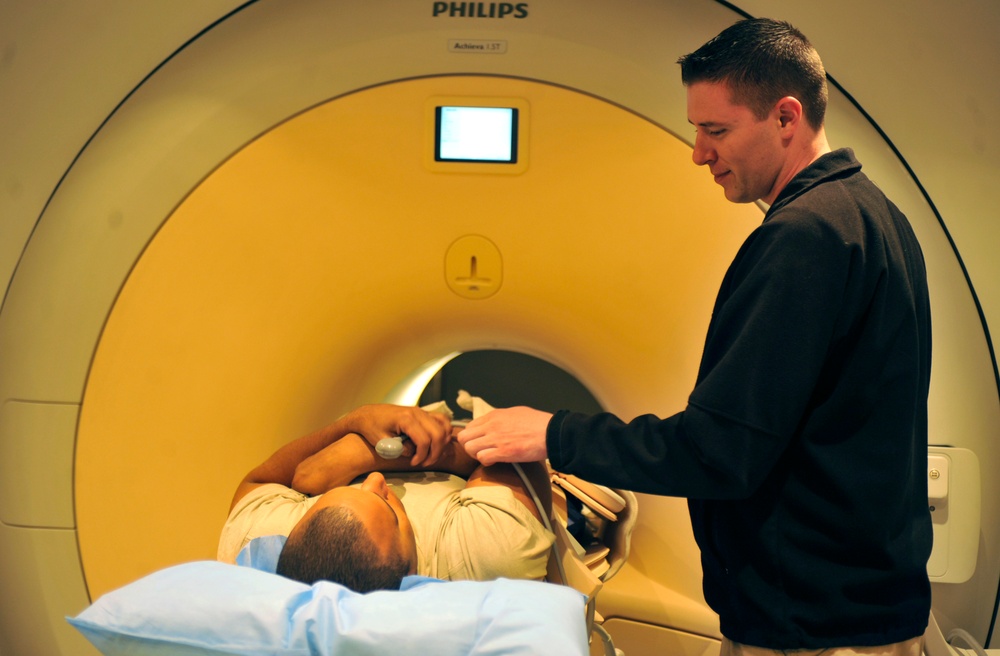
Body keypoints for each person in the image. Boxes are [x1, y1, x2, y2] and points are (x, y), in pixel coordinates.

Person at [458, 17, 932, 656]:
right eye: (696, 131)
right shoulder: (874, 213)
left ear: (786, 117)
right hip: (854, 603)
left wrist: (551, 433)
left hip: (812, 625)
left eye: (716, 130)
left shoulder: (804, 238)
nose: (699, 152)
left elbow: (721, 450)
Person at [218, 403, 554, 593]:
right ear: (409, 569)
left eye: (333, 495)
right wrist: (366, 456)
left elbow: (259, 479)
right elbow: (514, 456)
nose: (376, 481)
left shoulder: (254, 538)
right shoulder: (482, 557)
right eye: (388, 507)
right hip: (461, 442)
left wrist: (355, 420)